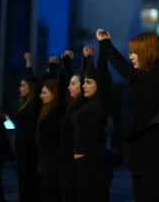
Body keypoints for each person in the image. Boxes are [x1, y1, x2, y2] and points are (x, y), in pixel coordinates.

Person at [97, 18, 159, 201]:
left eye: (134, 52)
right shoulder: (136, 76)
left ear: (147, 51)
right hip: (139, 161)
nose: (130, 56)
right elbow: (119, 63)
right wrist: (105, 42)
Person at [73, 42, 113, 202]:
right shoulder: (87, 103)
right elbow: (87, 74)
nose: (84, 86)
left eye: (88, 83)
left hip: (94, 165)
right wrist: (88, 59)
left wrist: (102, 47)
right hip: (81, 165)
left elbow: (102, 74)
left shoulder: (101, 104)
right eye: (83, 82)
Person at [14, 53, 42, 202]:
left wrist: (29, 64)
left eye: (23, 86)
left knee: (29, 185)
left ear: (30, 88)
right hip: (21, 152)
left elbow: (33, 83)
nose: (20, 88)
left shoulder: (33, 106)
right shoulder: (24, 105)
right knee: (23, 184)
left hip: (29, 150)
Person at [36, 57, 64, 202]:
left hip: (53, 162)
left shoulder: (56, 112)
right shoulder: (45, 110)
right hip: (45, 160)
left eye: (45, 93)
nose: (41, 96)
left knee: (52, 194)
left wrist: (54, 68)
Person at [58, 49, 84, 202]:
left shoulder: (84, 107)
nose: (69, 87)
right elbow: (64, 89)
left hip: (75, 163)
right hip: (64, 162)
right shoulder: (70, 106)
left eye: (74, 84)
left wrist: (89, 59)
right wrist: (65, 63)